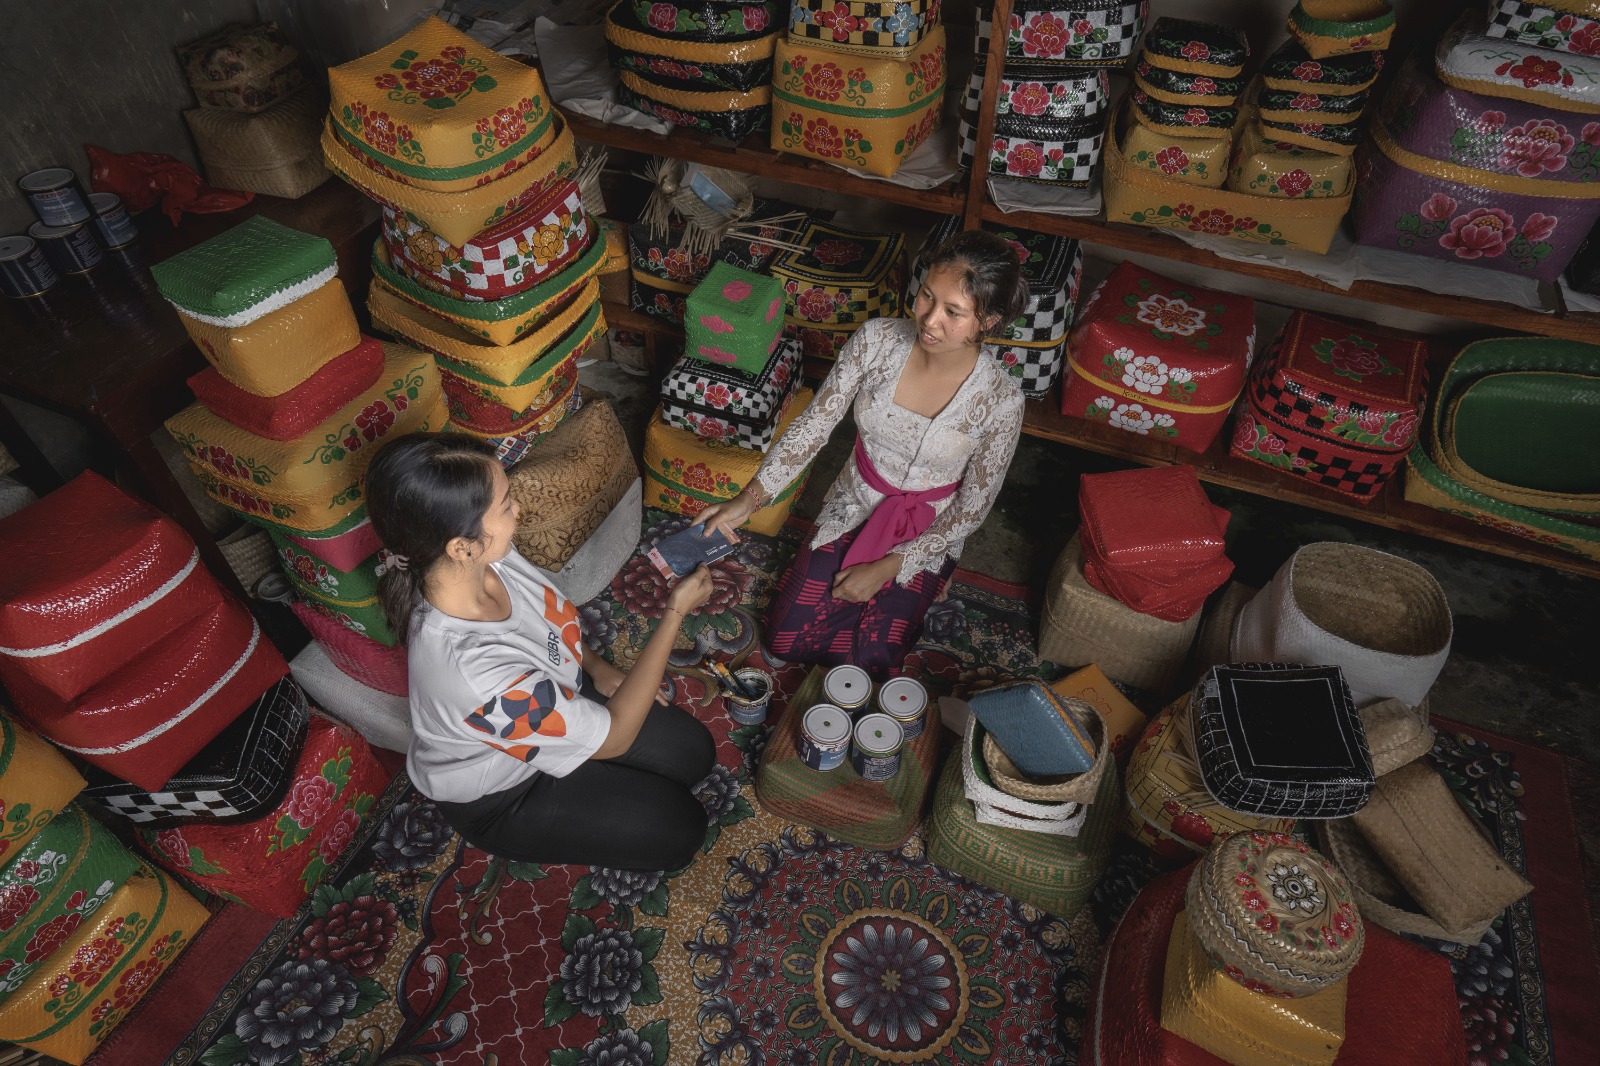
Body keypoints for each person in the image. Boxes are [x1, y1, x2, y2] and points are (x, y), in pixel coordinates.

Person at [365, 433, 716, 871]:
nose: (519, 510)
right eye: (506, 504)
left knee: (696, 753)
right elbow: (614, 738)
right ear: (461, 546)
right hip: (507, 793)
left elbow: (547, 624)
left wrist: (597, 666)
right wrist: (675, 613)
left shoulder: (486, 559)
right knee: (682, 829)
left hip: (551, 696)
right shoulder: (475, 676)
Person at [698, 229, 1030, 678]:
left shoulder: (1002, 399)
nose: (930, 320)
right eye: (927, 297)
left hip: (928, 525)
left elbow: (973, 507)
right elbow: (815, 424)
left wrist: (892, 565)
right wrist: (751, 497)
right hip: (856, 501)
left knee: (871, 661)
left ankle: (937, 570)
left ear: (987, 320)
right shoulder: (876, 341)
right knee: (784, 639)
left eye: (954, 312)